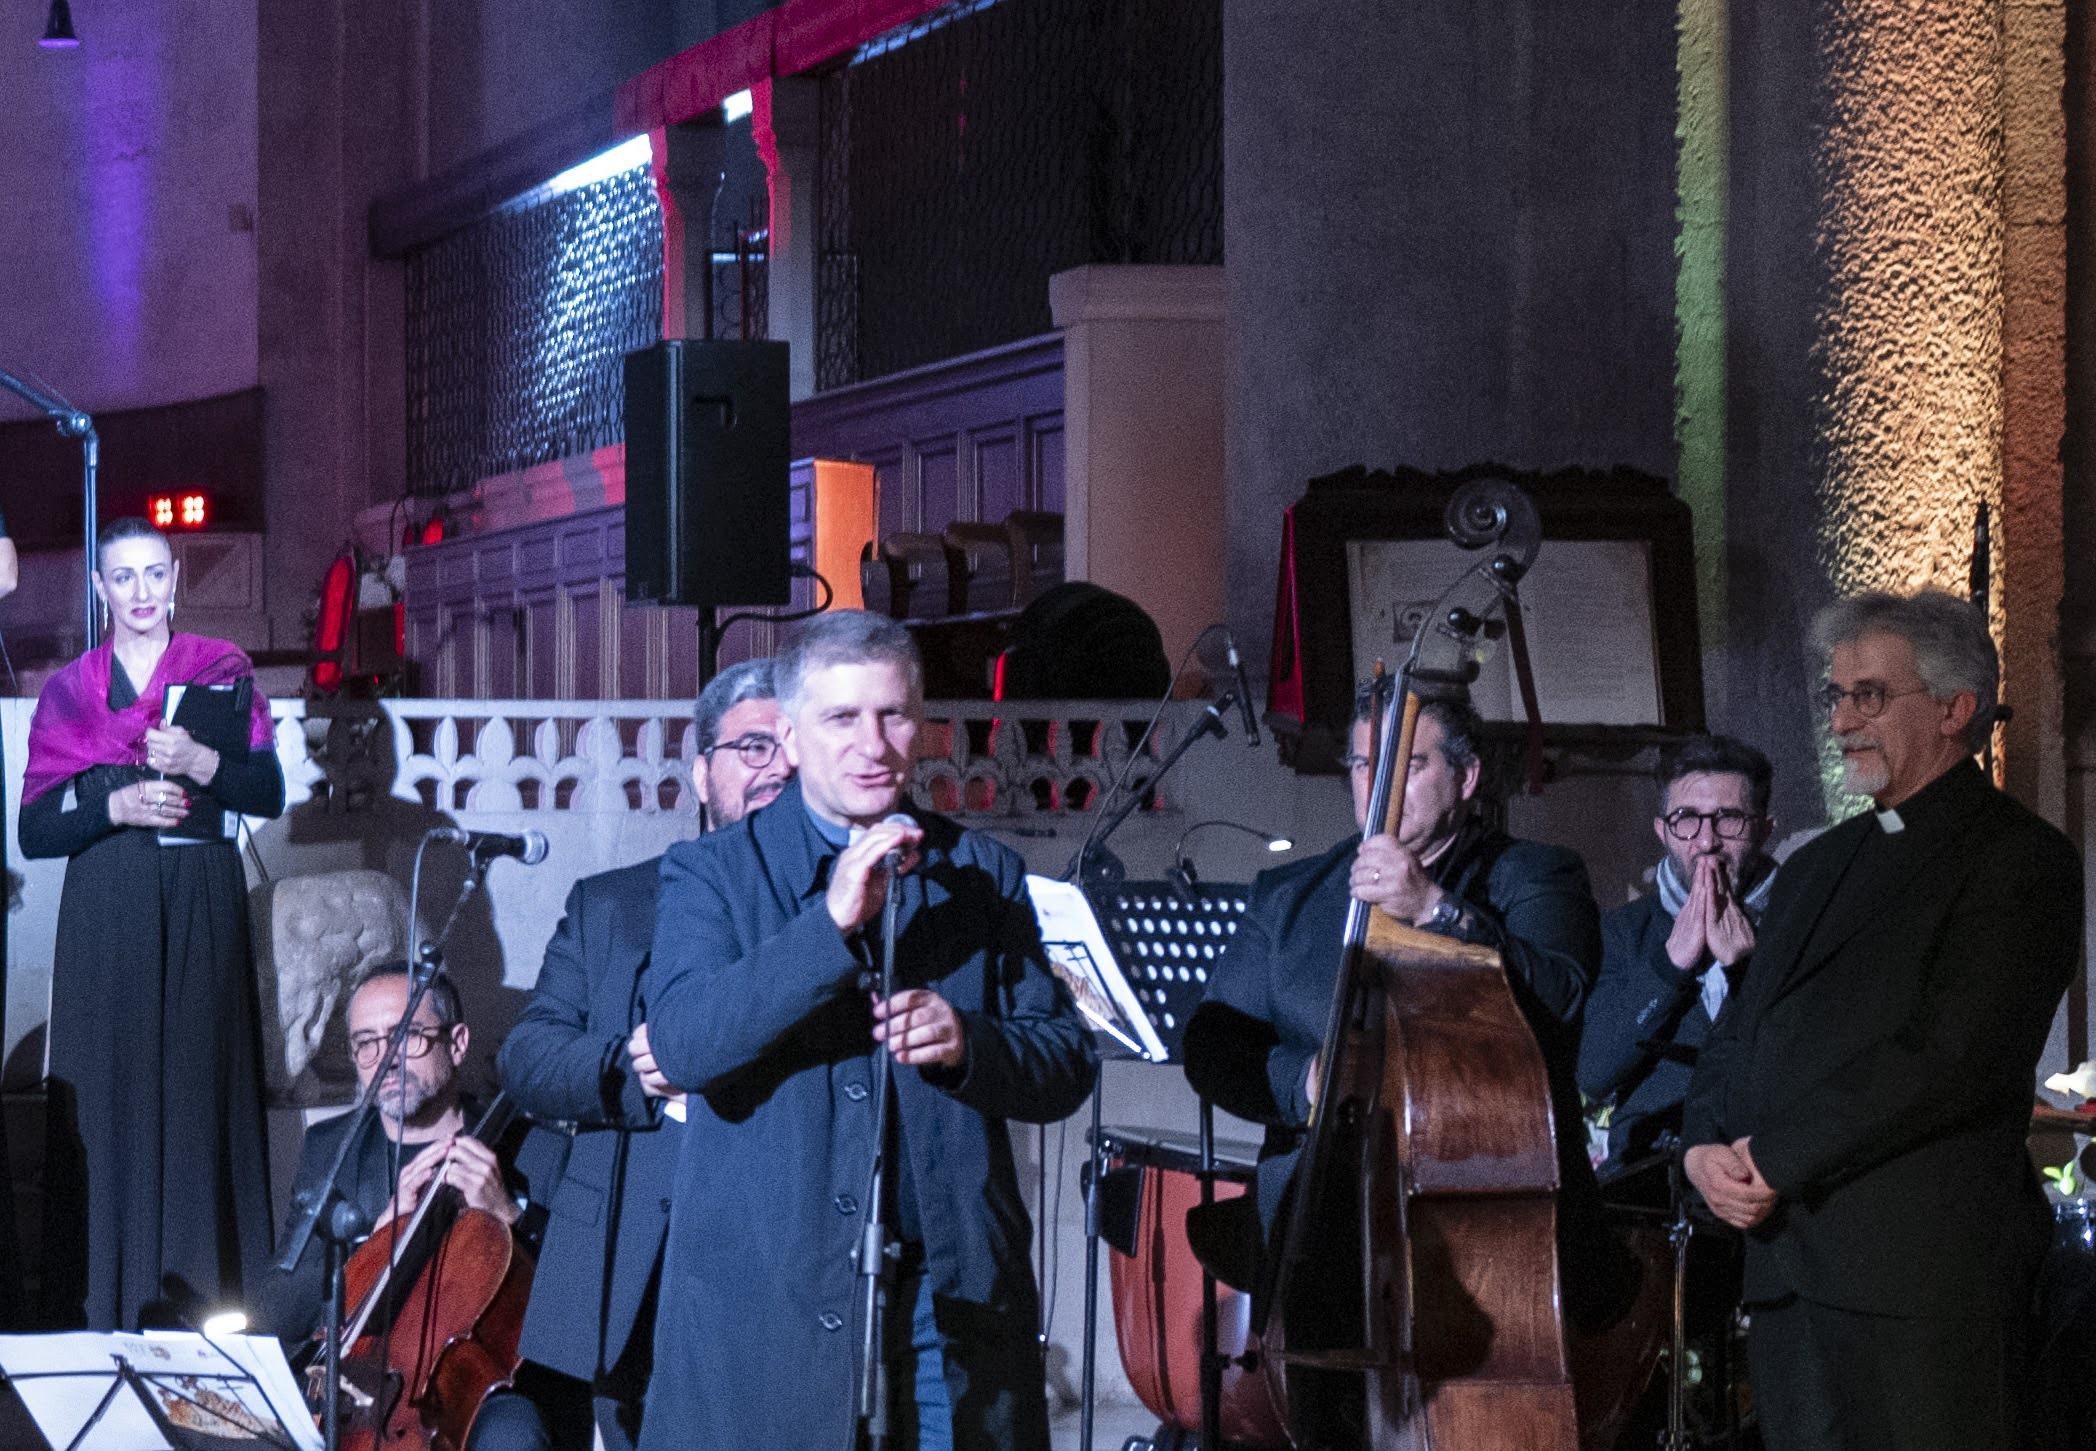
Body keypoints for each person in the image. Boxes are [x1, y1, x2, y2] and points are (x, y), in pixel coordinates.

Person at [640, 610, 1097, 1451]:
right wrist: (828, 927)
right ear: (790, 735)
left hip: (945, 1300)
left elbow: (1065, 1061)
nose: (873, 744)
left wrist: (970, 1043)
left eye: (893, 715)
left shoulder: (981, 872)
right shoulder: (714, 872)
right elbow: (683, 1043)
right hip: (773, 1303)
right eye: (842, 717)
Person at [1682, 589, 2082, 1451]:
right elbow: (1741, 1030)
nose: (1841, 722)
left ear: (1954, 708)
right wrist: (1700, 1148)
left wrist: (1772, 1157)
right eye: (1837, 696)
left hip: (1919, 1289)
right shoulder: (1812, 866)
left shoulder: (2018, 859)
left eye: (1868, 695)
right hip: (1789, 1277)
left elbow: (1951, 1056)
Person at [1181, 682, 1623, 1401]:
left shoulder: (1536, 874)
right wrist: (1305, 1079)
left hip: (1490, 1237)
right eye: (1363, 765)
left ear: (1466, 777)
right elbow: (1213, 1042)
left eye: (1408, 765)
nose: (1378, 786)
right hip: (1320, 1237)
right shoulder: (1288, 894)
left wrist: (1435, 909)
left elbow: (1558, 997)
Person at [481, 658, 791, 1451]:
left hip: (780, 1259)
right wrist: (638, 1070)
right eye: (753, 746)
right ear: (702, 771)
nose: (777, 767)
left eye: (792, 747)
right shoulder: (613, 905)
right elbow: (528, 1056)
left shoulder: (840, 910)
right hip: (634, 1261)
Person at [21, 517, 283, 1330]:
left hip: (201, 898)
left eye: (155, 574)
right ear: (100, 588)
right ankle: (107, 1307)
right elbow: (34, 832)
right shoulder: (71, 690)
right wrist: (115, 806)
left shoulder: (221, 668)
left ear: (175, 578)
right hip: (107, 912)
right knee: (111, 1101)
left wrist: (202, 762)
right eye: (123, 577)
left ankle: (207, 1306)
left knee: (199, 1092)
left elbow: (267, 792)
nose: (141, 592)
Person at [255, 963, 548, 1348]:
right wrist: (376, 1244)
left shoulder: (533, 1148)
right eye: (366, 1042)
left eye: (407, 1035)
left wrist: (508, 1216)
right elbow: (277, 1313)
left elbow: (581, 1307)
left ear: (457, 1044)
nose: (386, 1059)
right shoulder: (332, 1147)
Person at [1578, 733, 1776, 1183]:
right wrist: (1669, 967)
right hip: (1649, 1172)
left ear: (1764, 829)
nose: (1706, 841)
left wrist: (1746, 969)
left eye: (1729, 819)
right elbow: (1593, 1074)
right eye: (1686, 819)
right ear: (1662, 831)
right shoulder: (1622, 932)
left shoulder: (1800, 920)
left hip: (1764, 1163)